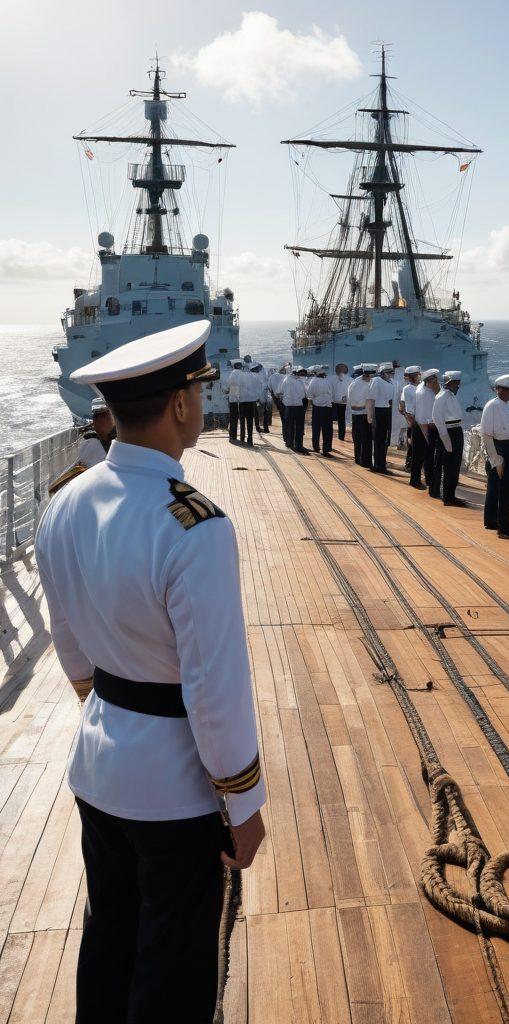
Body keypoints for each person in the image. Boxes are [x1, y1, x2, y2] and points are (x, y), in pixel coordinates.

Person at [35, 321, 266, 1023]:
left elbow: (67, 637)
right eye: (199, 388)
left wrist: (108, 711)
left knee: (110, 937)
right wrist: (244, 804)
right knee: (173, 962)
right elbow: (215, 689)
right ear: (179, 405)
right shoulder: (195, 526)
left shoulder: (64, 500)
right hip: (176, 792)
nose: (201, 400)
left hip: (98, 765)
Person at [480, 374, 509, 539]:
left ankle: (491, 520)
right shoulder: (492, 406)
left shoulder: (505, 406)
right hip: (500, 448)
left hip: (507, 447)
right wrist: (496, 460)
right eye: (506, 389)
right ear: (498, 390)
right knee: (504, 489)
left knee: (496, 487)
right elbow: (487, 435)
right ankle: (504, 528)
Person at [432, 371, 466, 507]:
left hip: (455, 430)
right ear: (450, 383)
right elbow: (438, 420)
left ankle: (451, 494)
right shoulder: (441, 397)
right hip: (449, 432)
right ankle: (448, 496)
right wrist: (446, 440)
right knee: (450, 466)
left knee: (455, 465)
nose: (458, 386)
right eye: (457, 383)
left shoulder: (450, 395)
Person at [412, 369, 440, 492]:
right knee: (426, 455)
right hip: (425, 427)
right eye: (435, 379)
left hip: (428, 426)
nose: (437, 382)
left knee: (423, 455)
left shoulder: (423, 388)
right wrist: (426, 435)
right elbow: (422, 416)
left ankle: (424, 480)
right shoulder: (424, 393)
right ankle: (424, 481)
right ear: (430, 381)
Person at [367, 362, 395, 473]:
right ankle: (378, 465)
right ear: (382, 373)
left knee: (385, 440)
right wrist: (370, 415)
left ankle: (382, 463)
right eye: (388, 372)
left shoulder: (391, 382)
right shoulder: (376, 381)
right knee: (378, 439)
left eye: (391, 372)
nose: (390, 375)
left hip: (387, 411)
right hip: (378, 412)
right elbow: (370, 399)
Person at [348, 364, 373, 468]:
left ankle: (358, 458)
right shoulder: (361, 385)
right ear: (366, 374)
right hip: (363, 415)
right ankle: (365, 461)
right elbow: (356, 404)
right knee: (365, 439)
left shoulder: (353, 384)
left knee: (358, 438)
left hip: (358, 415)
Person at [308, 366, 335, 456]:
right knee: (327, 429)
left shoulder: (313, 381)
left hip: (318, 408)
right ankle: (326, 450)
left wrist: (314, 405)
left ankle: (316, 447)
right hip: (328, 407)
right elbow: (332, 393)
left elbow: (310, 396)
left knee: (316, 429)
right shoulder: (328, 381)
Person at [281, 366, 308, 453]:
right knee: (299, 426)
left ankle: (289, 442)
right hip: (298, 405)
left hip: (288, 406)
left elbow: (280, 391)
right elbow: (304, 394)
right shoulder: (299, 382)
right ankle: (298, 445)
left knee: (289, 425)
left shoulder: (286, 380)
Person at [399, 366, 421, 470]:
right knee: (411, 441)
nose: (419, 376)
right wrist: (407, 417)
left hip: (422, 418)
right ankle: (410, 463)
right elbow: (403, 403)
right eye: (417, 374)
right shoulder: (407, 388)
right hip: (412, 417)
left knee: (417, 441)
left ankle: (416, 463)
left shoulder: (422, 386)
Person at [238, 364, 260, 446]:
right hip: (251, 402)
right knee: (250, 421)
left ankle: (242, 438)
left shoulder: (240, 377)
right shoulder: (254, 377)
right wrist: (256, 397)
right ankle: (250, 438)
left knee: (242, 421)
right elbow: (259, 387)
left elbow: (236, 388)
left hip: (242, 402)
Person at [224, 359, 244, 443]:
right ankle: (242, 437)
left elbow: (228, 385)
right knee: (242, 419)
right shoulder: (243, 374)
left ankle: (232, 436)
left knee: (233, 418)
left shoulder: (233, 373)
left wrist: (227, 390)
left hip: (233, 400)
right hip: (243, 400)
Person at [332, 363, 350, 444]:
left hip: (334, 403)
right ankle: (341, 436)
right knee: (342, 421)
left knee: (330, 421)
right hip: (344, 403)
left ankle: (330, 436)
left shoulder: (331, 379)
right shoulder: (350, 379)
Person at [271, 366, 288, 440]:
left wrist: (274, 398)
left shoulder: (272, 377)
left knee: (283, 417)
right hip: (286, 400)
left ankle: (285, 435)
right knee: (288, 418)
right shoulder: (286, 377)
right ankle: (287, 436)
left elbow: (269, 387)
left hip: (277, 399)